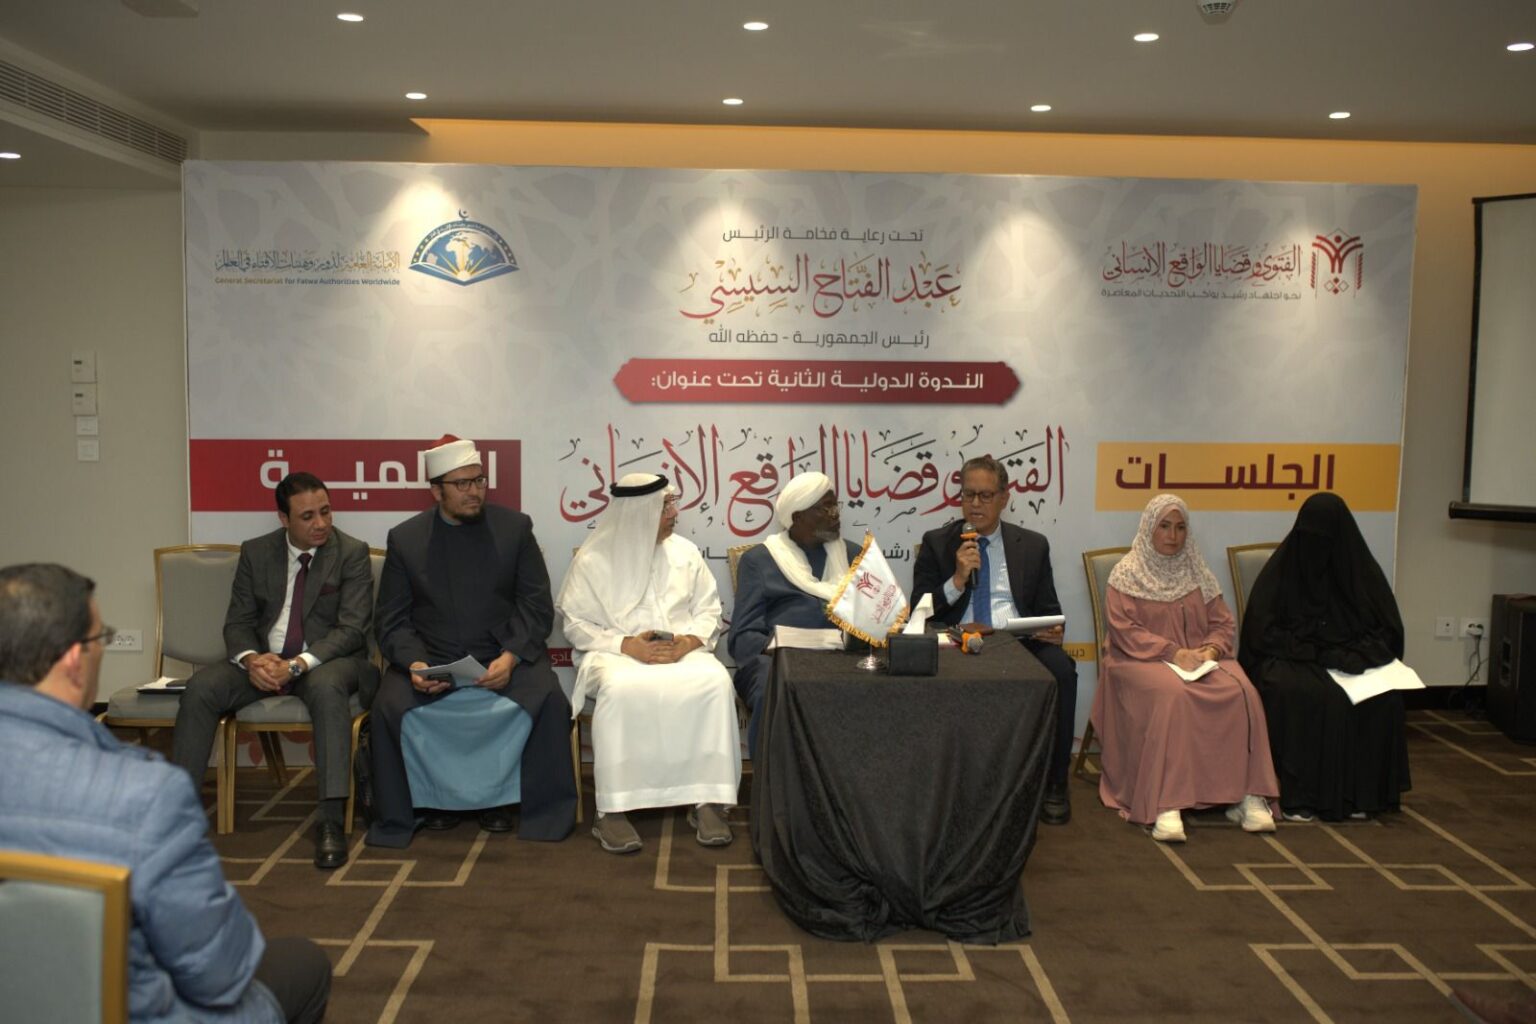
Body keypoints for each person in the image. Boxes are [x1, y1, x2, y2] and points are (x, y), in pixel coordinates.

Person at [0, 563, 331, 1024]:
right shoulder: (142, 794)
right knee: (302, 963)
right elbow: (222, 973)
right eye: (101, 638)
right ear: (75, 660)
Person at [367, 435, 576, 848]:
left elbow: (536, 606)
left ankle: (517, 807)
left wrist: (511, 657)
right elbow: (391, 620)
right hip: (433, 660)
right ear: (436, 491)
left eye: (479, 481)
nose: (474, 491)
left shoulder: (515, 528)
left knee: (550, 701)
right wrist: (415, 665)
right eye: (461, 484)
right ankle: (423, 807)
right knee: (388, 708)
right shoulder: (406, 539)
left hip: (503, 655)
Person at [172, 471, 377, 870]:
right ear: (283, 519)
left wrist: (297, 665)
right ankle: (178, 816)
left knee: (327, 688)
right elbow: (238, 622)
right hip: (266, 661)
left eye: (325, 511)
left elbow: (352, 630)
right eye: (307, 516)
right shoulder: (256, 552)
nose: (320, 523)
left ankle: (331, 819)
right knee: (201, 687)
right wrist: (252, 659)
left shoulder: (351, 552)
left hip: (328, 662)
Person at [557, 473, 741, 853]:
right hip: (615, 655)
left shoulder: (685, 552)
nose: (674, 513)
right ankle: (612, 810)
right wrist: (625, 645)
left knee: (714, 682)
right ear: (636, 512)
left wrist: (687, 642)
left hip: (680, 651)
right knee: (623, 689)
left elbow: (709, 610)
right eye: (664, 506)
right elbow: (575, 625)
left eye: (672, 503)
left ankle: (707, 800)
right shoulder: (593, 559)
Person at [1090, 494, 1279, 843]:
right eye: (1164, 526)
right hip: (1138, 660)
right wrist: (1173, 653)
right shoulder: (1127, 574)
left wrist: (1212, 649)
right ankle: (1166, 803)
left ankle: (1248, 795)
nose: (1173, 536)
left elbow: (1222, 623)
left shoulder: (1197, 572)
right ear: (1149, 528)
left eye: (1180, 528)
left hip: (1197, 658)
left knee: (1244, 692)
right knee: (1172, 695)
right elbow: (1125, 631)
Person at [911, 455, 1079, 825]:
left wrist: (1052, 630)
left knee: (1062, 672)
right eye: (968, 494)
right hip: (957, 641)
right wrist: (957, 580)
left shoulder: (1032, 545)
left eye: (985, 496)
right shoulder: (937, 543)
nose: (975, 504)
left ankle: (1055, 784)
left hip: (1019, 642)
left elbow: (1050, 610)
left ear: (1005, 498)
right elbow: (918, 612)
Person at [1238, 492, 1410, 821]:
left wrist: (1354, 655)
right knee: (1301, 694)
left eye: (1325, 541)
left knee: (1383, 699)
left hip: (1348, 658)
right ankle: (1300, 795)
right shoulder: (1283, 571)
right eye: (1310, 539)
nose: (1316, 550)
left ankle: (1362, 796)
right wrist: (1312, 650)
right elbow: (1261, 633)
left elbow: (1388, 632)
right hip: (1291, 658)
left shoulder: (1360, 574)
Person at [728, 472, 859, 753]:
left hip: (844, 659)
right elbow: (742, 637)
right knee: (771, 684)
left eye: (835, 505)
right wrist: (782, 646)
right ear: (798, 516)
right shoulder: (759, 561)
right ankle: (778, 778)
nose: (835, 514)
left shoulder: (855, 556)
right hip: (780, 662)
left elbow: (879, 619)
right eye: (825, 507)